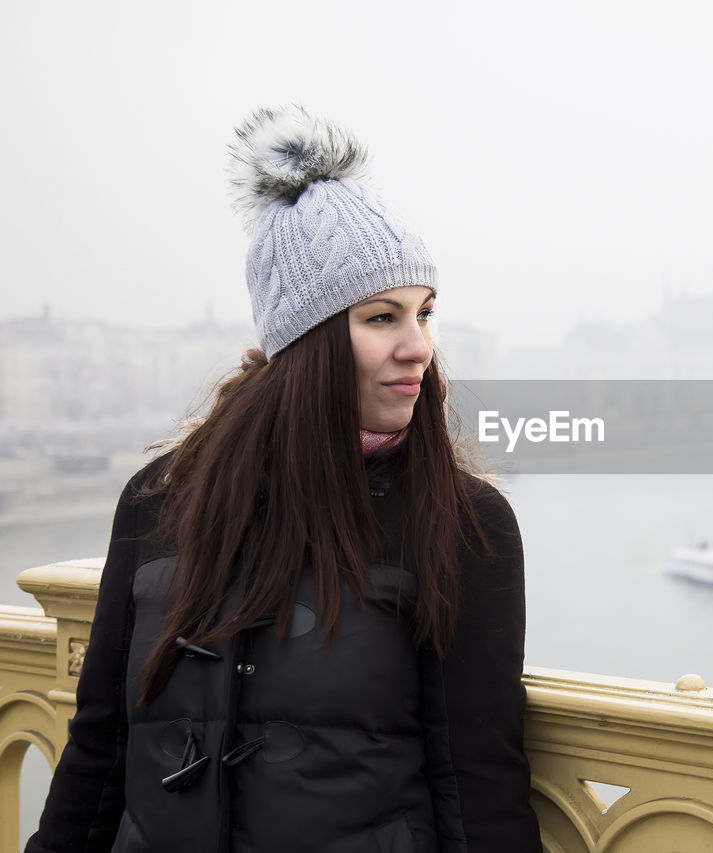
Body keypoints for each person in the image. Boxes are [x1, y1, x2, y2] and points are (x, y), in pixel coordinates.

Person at [25, 106, 542, 853]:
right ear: (307, 340)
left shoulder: (461, 520)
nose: (419, 346)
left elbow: (477, 785)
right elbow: (98, 755)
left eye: (425, 314)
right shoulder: (157, 500)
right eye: (382, 318)